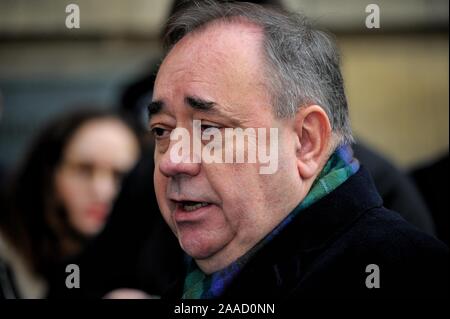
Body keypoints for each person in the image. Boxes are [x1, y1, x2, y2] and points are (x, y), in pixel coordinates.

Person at [149, 1, 448, 298]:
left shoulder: (411, 276)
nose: (173, 161)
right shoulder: (188, 281)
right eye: (161, 131)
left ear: (306, 142)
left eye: (209, 129)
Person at [0, 109, 141, 298]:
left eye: (120, 176)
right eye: (84, 170)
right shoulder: (7, 257)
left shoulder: (150, 264)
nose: (102, 191)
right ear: (49, 174)